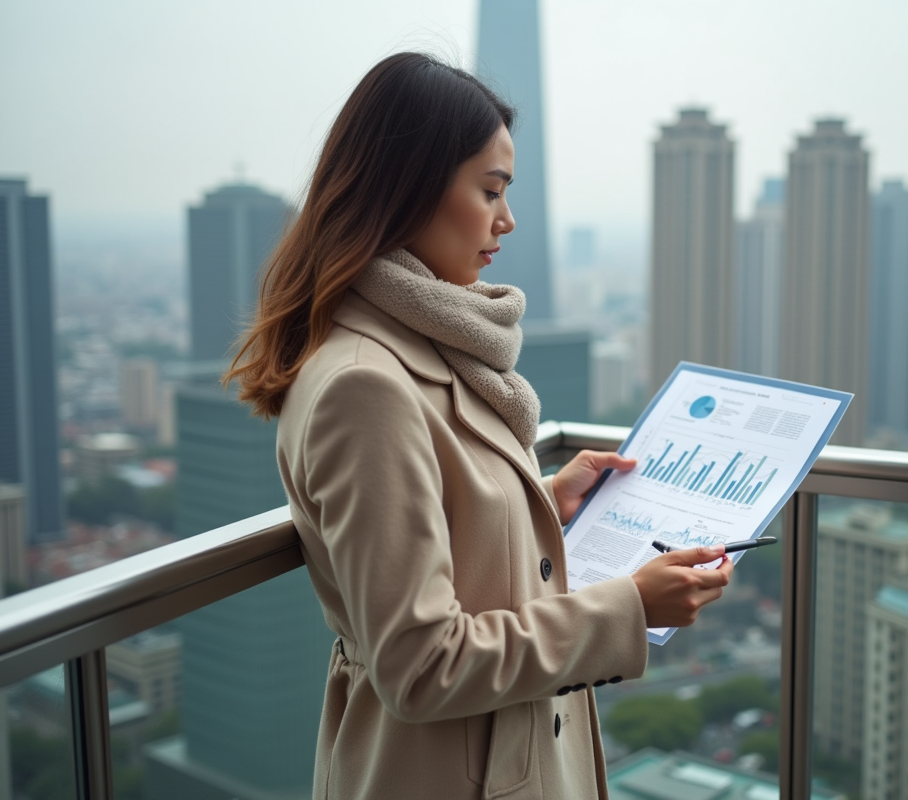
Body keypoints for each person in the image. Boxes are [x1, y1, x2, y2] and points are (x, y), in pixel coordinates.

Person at [226, 53, 733, 800]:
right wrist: (630, 607)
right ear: (406, 188)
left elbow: (436, 520)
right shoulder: (366, 383)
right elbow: (421, 663)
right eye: (489, 189)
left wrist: (536, 504)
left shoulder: (415, 346)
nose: (507, 218)